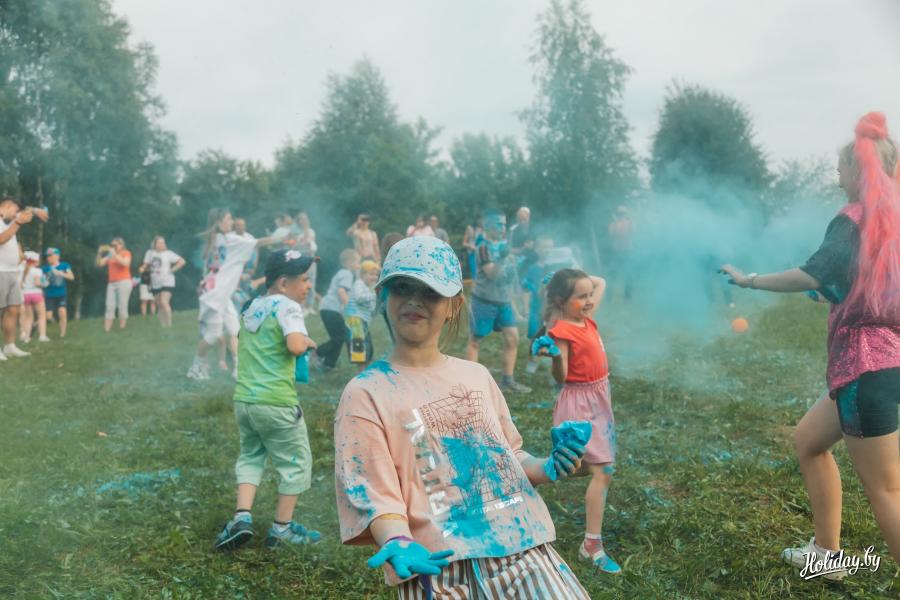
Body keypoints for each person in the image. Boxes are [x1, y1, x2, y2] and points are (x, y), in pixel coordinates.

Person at [334, 235, 590, 599]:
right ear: (383, 296)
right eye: (402, 287)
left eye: (430, 292)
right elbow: (373, 491)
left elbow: (509, 458)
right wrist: (397, 540)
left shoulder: (476, 375)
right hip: (435, 566)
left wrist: (549, 466)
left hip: (522, 551)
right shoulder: (366, 392)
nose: (414, 300)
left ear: (454, 305)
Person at [720, 112, 900, 574]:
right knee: (809, 440)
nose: (836, 176)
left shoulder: (853, 218)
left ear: (858, 170)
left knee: (887, 491)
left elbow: (811, 273)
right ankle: (826, 553)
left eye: (840, 167)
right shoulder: (892, 218)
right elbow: (870, 284)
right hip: (884, 363)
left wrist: (749, 280)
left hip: (865, 369)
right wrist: (836, 293)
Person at [215, 249, 322, 551]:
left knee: (251, 456)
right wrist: (306, 342)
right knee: (296, 463)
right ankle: (281, 529)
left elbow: (247, 340)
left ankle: (241, 517)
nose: (308, 285)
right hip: (277, 404)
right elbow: (295, 345)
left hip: (245, 402)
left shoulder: (251, 307)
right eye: (304, 279)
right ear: (284, 283)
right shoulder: (288, 306)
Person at [534, 269, 620, 574]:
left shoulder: (586, 316)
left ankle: (538, 473)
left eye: (588, 295)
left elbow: (602, 281)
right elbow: (562, 377)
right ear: (562, 301)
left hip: (598, 398)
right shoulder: (562, 330)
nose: (589, 300)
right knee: (603, 470)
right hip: (578, 404)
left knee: (580, 466)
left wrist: (567, 274)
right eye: (581, 296)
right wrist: (556, 357)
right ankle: (591, 546)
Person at [187, 208, 284, 380]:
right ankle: (196, 367)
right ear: (220, 222)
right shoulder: (230, 239)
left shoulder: (217, 239)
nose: (231, 222)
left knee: (235, 329)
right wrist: (281, 236)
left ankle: (239, 368)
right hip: (216, 294)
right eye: (229, 218)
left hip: (218, 293)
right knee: (213, 334)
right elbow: (259, 242)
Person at [465, 211, 531, 393]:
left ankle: (507, 381)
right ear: (487, 226)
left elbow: (511, 276)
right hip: (484, 301)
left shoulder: (505, 246)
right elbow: (492, 274)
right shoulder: (482, 248)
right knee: (475, 340)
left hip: (503, 302)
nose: (503, 228)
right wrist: (502, 258)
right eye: (498, 224)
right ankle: (471, 385)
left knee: (512, 338)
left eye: (504, 224)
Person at [0, 198, 37, 360]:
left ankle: (9, 347)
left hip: (12, 272)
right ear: (7, 206)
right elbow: (1, 239)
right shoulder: (9, 224)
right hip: (0, 272)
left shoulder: (8, 223)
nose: (17, 214)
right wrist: (18, 222)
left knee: (13, 310)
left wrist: (35, 211)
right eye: (15, 210)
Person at [317, 249, 360, 372]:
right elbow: (341, 292)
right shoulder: (347, 274)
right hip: (330, 309)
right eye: (357, 262)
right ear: (349, 262)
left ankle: (328, 364)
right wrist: (349, 309)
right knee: (341, 336)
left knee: (339, 337)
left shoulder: (343, 273)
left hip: (329, 309)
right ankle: (318, 352)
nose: (359, 265)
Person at [141, 236, 185, 328]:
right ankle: (163, 325)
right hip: (155, 282)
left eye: (163, 243)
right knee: (159, 304)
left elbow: (182, 261)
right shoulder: (150, 253)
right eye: (159, 243)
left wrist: (172, 270)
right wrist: (143, 268)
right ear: (155, 244)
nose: (162, 244)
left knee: (164, 301)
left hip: (167, 281)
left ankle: (169, 324)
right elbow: (146, 264)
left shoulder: (169, 253)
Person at [345, 260, 379, 371]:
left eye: (376, 275)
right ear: (362, 274)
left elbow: (371, 307)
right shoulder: (359, 283)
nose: (374, 277)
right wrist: (375, 295)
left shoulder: (370, 288)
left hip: (363, 321)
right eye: (371, 274)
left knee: (367, 346)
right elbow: (359, 298)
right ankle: (361, 373)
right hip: (355, 320)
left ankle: (366, 370)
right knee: (359, 347)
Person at [96, 237, 132, 332]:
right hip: (112, 283)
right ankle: (107, 330)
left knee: (122, 305)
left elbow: (126, 263)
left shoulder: (126, 253)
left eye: (115, 245)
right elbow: (99, 264)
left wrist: (115, 254)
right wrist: (99, 253)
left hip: (124, 282)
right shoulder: (110, 255)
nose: (113, 247)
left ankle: (122, 328)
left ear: (121, 245)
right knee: (109, 305)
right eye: (112, 245)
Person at [42, 247, 74, 338]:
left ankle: (62, 335)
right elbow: (42, 280)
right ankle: (36, 325)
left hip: (61, 294)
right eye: (47, 256)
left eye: (50, 256)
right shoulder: (45, 268)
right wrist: (44, 282)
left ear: (57, 256)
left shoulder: (64, 265)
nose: (48, 258)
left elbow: (71, 277)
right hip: (49, 294)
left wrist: (60, 273)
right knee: (48, 316)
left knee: (62, 312)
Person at [18, 251, 48, 344]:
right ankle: (42, 336)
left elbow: (20, 284)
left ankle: (27, 338)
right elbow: (37, 283)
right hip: (36, 294)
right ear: (35, 261)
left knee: (28, 318)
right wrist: (45, 284)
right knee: (41, 315)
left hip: (25, 295)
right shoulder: (37, 271)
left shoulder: (21, 270)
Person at [606, 205, 634, 301]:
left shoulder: (630, 223)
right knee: (612, 274)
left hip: (627, 251)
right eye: (619, 213)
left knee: (628, 274)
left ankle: (627, 297)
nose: (621, 215)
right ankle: (609, 296)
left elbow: (633, 231)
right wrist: (615, 223)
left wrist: (629, 220)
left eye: (623, 213)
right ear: (616, 214)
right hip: (616, 252)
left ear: (626, 214)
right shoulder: (612, 224)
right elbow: (611, 234)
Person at [293, 211, 318, 314]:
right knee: (302, 282)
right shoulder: (296, 233)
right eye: (302, 219)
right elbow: (296, 245)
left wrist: (306, 229)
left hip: (311, 257)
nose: (305, 221)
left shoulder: (311, 231)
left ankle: (309, 306)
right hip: (301, 257)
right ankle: (301, 306)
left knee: (311, 282)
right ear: (298, 221)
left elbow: (309, 242)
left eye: (306, 219)